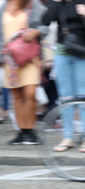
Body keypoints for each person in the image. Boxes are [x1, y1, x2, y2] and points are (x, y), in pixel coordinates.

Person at [42, 0, 85, 152]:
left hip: (83, 52)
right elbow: (45, 20)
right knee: (65, 97)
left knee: (83, 95)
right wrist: (56, 3)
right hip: (63, 52)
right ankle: (68, 136)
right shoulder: (58, 3)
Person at [0, 0, 47, 145]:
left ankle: (30, 130)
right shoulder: (4, 6)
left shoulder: (33, 4)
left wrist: (35, 32)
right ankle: (22, 132)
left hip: (30, 57)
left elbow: (45, 27)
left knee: (30, 93)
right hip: (9, 58)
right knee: (17, 95)